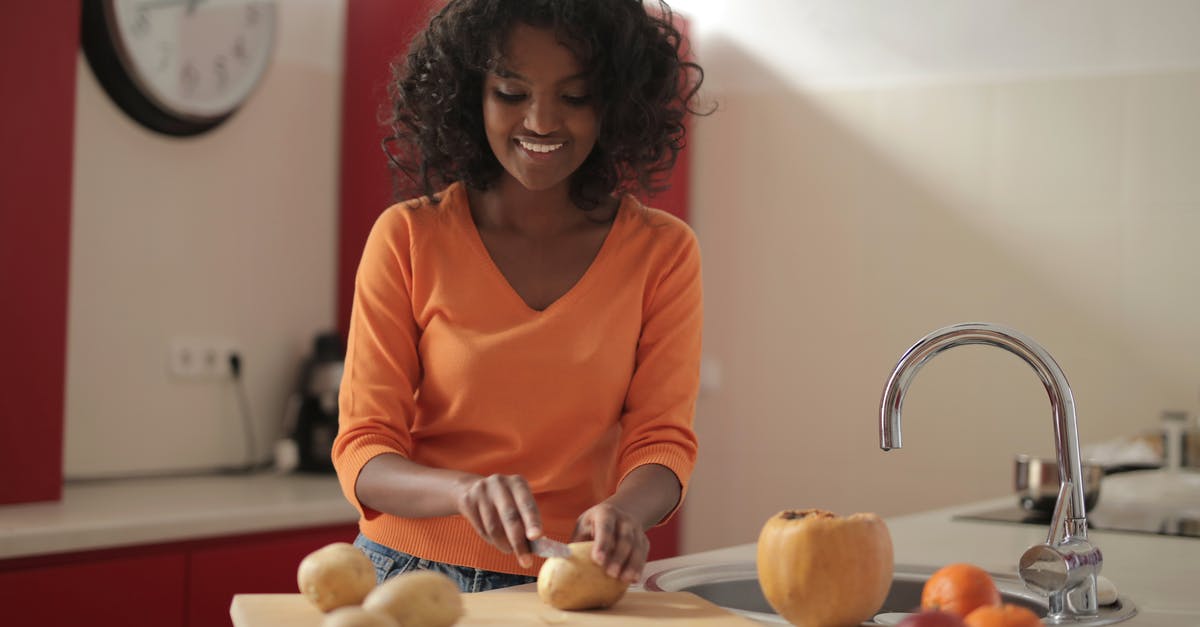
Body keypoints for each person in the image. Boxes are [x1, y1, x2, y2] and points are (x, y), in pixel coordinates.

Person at [332, 0, 708, 593]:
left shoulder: (662, 253)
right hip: (406, 576)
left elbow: (661, 441)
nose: (539, 121)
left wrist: (626, 513)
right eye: (511, 93)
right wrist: (461, 490)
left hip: (570, 581)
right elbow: (363, 449)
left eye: (575, 96)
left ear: (615, 104)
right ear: (470, 96)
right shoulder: (408, 237)